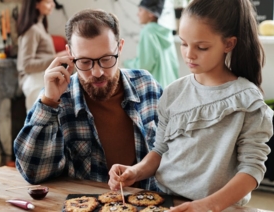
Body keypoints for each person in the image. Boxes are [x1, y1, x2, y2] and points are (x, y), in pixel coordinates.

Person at [108, 0, 274, 211]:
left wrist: (208, 206)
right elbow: (160, 150)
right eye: (184, 43)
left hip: (219, 208)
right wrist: (136, 171)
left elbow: (252, 169)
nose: (188, 54)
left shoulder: (248, 100)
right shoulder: (173, 92)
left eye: (201, 47)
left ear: (229, 44)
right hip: (165, 202)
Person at [14, 8, 163, 191]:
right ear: (70, 54)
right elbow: (34, 173)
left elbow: (173, 152)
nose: (97, 72)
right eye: (85, 62)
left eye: (107, 59)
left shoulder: (147, 86)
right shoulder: (58, 99)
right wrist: (49, 102)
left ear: (120, 47)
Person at [16, 0, 67, 112]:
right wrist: (56, 57)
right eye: (48, 2)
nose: (53, 4)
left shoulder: (41, 27)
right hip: (34, 82)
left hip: (42, 80)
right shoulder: (32, 30)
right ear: (36, 4)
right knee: (39, 123)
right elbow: (26, 65)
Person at [123, 0, 179, 89]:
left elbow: (144, 66)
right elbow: (175, 65)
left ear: (151, 14)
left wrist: (127, 63)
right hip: (171, 87)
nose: (138, 14)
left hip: (156, 89)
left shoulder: (148, 31)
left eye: (140, 10)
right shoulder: (167, 33)